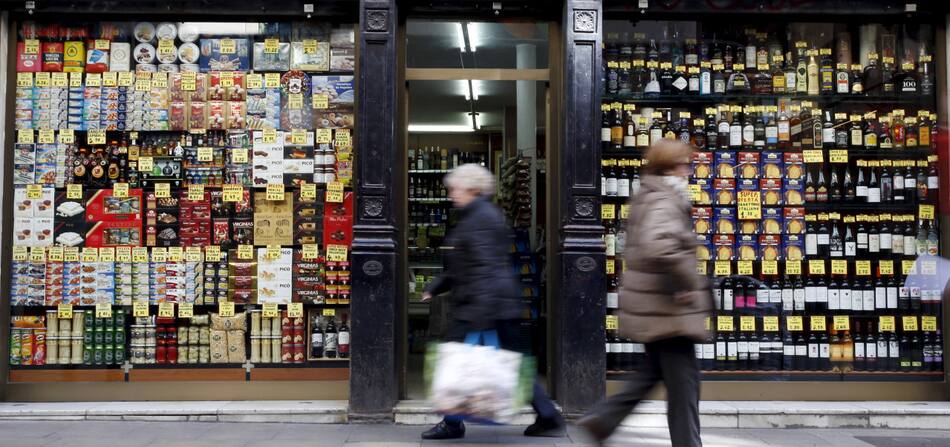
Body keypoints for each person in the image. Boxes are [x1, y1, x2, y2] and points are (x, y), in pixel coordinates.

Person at [578, 139, 712, 447]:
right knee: (685, 388)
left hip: (658, 309)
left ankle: (602, 421)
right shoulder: (664, 199)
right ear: (671, 167)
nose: (689, 171)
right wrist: (684, 282)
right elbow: (658, 246)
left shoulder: (650, 194)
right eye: (685, 165)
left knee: (651, 377)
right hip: (668, 309)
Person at [420, 163, 566, 440]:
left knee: (456, 359)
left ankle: (452, 423)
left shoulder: (480, 218)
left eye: (455, 189)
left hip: (483, 303)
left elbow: (485, 267)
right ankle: (549, 417)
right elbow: (466, 263)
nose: (451, 194)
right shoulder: (477, 215)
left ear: (473, 189)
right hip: (494, 302)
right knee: (514, 363)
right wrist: (437, 286)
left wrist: (479, 313)